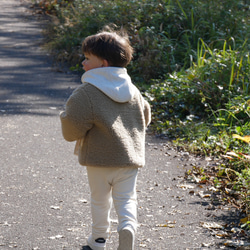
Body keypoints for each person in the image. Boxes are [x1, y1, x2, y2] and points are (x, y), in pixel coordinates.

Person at [60, 28, 151, 250]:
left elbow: (71, 127)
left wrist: (64, 118)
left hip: (98, 161)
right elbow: (145, 116)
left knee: (100, 201)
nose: (83, 62)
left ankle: (98, 240)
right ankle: (128, 227)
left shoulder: (87, 92)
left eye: (87, 58)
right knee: (127, 199)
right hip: (129, 160)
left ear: (102, 63)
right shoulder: (133, 91)